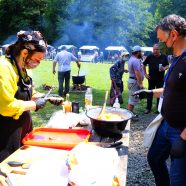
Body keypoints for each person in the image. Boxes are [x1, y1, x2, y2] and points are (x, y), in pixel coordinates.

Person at [133, 14, 186, 186]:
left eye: (161, 39)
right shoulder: (176, 59)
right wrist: (148, 92)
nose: (159, 44)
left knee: (178, 180)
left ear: (173, 34)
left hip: (181, 131)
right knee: (155, 159)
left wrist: (183, 139)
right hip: (166, 124)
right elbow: (170, 89)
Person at [0, 30, 63, 162]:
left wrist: (46, 97)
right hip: (5, 134)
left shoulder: (25, 68)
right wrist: (34, 105)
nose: (39, 63)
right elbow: (5, 106)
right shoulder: (4, 69)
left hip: (24, 129)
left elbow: (28, 93)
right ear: (24, 53)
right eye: (37, 59)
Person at [143, 43, 169, 114]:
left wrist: (164, 68)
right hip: (151, 79)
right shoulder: (150, 56)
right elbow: (144, 64)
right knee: (150, 94)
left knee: (159, 94)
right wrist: (145, 74)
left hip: (160, 79)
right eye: (154, 49)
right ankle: (148, 108)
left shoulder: (163, 57)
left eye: (157, 49)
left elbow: (167, 65)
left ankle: (158, 109)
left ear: (159, 50)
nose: (155, 51)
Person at [127, 45, 144, 116]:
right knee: (132, 100)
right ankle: (129, 116)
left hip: (132, 81)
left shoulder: (132, 59)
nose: (142, 54)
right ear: (138, 52)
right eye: (141, 52)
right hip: (134, 82)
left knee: (132, 99)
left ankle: (130, 113)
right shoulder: (135, 60)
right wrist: (140, 84)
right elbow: (137, 73)